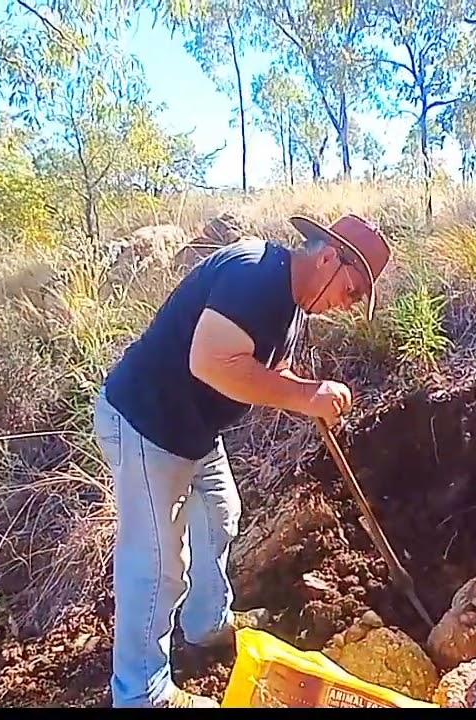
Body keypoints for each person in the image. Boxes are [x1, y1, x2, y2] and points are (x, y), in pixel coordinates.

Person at [93, 213, 393, 708]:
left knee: (221, 514)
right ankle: (142, 693)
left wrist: (310, 394)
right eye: (353, 290)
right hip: (147, 423)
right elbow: (210, 362)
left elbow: (266, 367)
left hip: (193, 429)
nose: (348, 304)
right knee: (156, 563)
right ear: (328, 258)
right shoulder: (253, 274)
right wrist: (305, 396)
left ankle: (206, 622)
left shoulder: (292, 305)